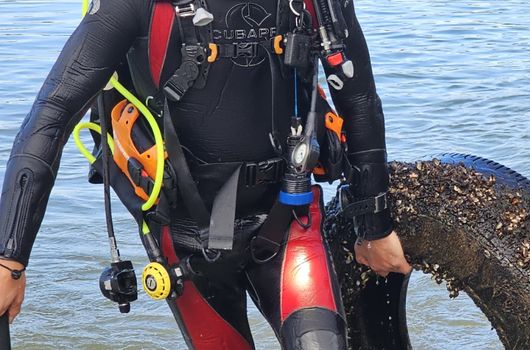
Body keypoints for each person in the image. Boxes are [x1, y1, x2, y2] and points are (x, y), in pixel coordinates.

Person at [0, 0, 410, 348]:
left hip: (288, 216)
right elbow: (50, 115)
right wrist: (9, 259)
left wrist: (374, 227)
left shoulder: (314, 5)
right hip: (185, 242)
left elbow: (358, 100)